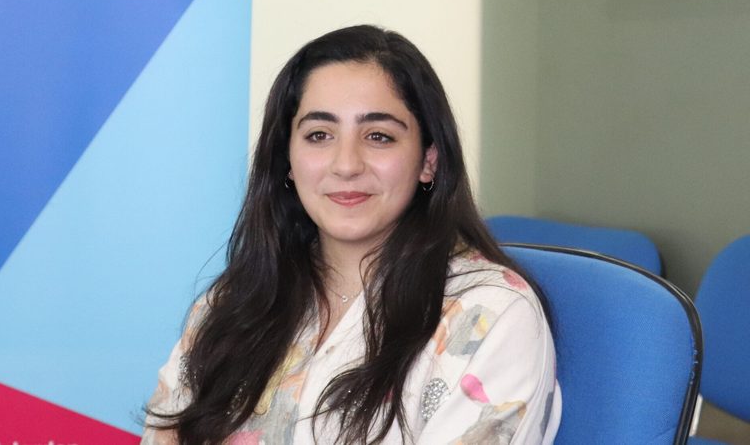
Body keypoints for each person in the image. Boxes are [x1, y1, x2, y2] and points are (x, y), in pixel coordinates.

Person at [142, 25, 560, 444]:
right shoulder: (237, 300)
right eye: (319, 135)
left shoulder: (491, 316)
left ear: (428, 160)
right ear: (287, 159)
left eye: (378, 136)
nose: (346, 164)